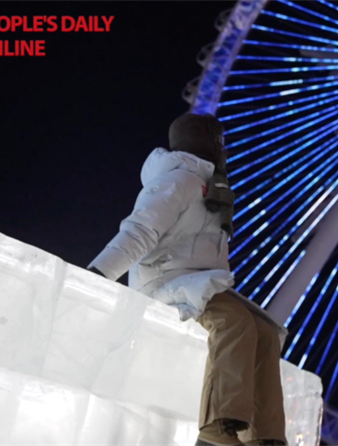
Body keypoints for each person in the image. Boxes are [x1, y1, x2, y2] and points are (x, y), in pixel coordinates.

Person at [87, 113, 288, 446]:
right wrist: (98, 274)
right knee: (233, 321)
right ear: (204, 141)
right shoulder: (178, 181)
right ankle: (215, 429)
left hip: (197, 282)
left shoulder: (214, 188)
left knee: (265, 332)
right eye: (219, 141)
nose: (224, 149)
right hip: (163, 280)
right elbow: (139, 231)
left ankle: (265, 438)